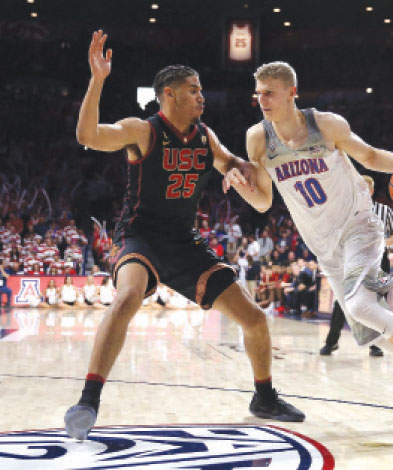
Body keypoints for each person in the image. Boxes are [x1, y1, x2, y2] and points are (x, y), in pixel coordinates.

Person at [64, 31, 304, 442]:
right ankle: (88, 400)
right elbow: (87, 136)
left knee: (256, 319)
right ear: (169, 95)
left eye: (201, 90)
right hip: (139, 236)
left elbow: (236, 165)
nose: (201, 97)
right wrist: (98, 80)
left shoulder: (205, 137)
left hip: (185, 242)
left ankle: (264, 396)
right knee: (126, 297)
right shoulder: (142, 130)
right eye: (194, 91)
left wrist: (245, 169)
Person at [230, 61, 393, 423]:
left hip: (361, 227)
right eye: (258, 93)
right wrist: (244, 188)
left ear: (292, 92)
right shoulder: (258, 138)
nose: (262, 100)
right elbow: (263, 201)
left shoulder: (326, 125)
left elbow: (369, 156)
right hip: (324, 247)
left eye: (269, 92)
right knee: (377, 335)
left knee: (362, 306)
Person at [320, 175, 393, 357]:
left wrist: (380, 242)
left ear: (370, 191)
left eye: (364, 188)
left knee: (378, 304)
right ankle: (331, 342)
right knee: (342, 302)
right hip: (352, 260)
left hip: (379, 261)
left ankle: (376, 344)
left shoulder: (384, 211)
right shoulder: (344, 212)